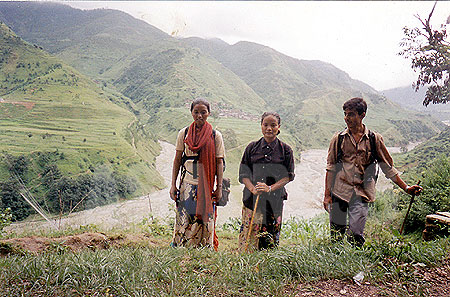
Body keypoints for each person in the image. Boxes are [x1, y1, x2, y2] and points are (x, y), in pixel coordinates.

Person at [324, 97, 423, 247]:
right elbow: (331, 167)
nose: (346, 118)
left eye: (350, 114)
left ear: (362, 115)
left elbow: (388, 168)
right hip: (339, 191)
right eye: (345, 114)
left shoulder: (374, 139)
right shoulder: (338, 139)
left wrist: (406, 188)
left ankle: (355, 262)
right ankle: (335, 265)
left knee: (356, 234)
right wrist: (326, 196)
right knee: (336, 235)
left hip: (362, 193)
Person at [169, 98, 225, 250]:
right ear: (191, 113)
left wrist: (219, 187)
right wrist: (173, 185)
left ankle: (204, 248)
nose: (199, 115)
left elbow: (219, 163)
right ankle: (182, 247)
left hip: (206, 186)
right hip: (187, 185)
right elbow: (177, 160)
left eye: (203, 112)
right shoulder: (184, 133)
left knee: (205, 220)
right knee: (184, 219)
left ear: (209, 113)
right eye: (196, 112)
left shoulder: (215, 136)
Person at [238, 112, 295, 251]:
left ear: (279, 127)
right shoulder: (252, 148)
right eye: (266, 125)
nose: (269, 128)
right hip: (252, 198)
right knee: (249, 234)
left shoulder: (285, 150)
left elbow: (288, 176)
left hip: (274, 200)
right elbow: (243, 173)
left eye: (273, 125)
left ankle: (266, 265)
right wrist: (252, 188)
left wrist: (270, 188)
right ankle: (247, 263)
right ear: (261, 126)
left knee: (269, 236)